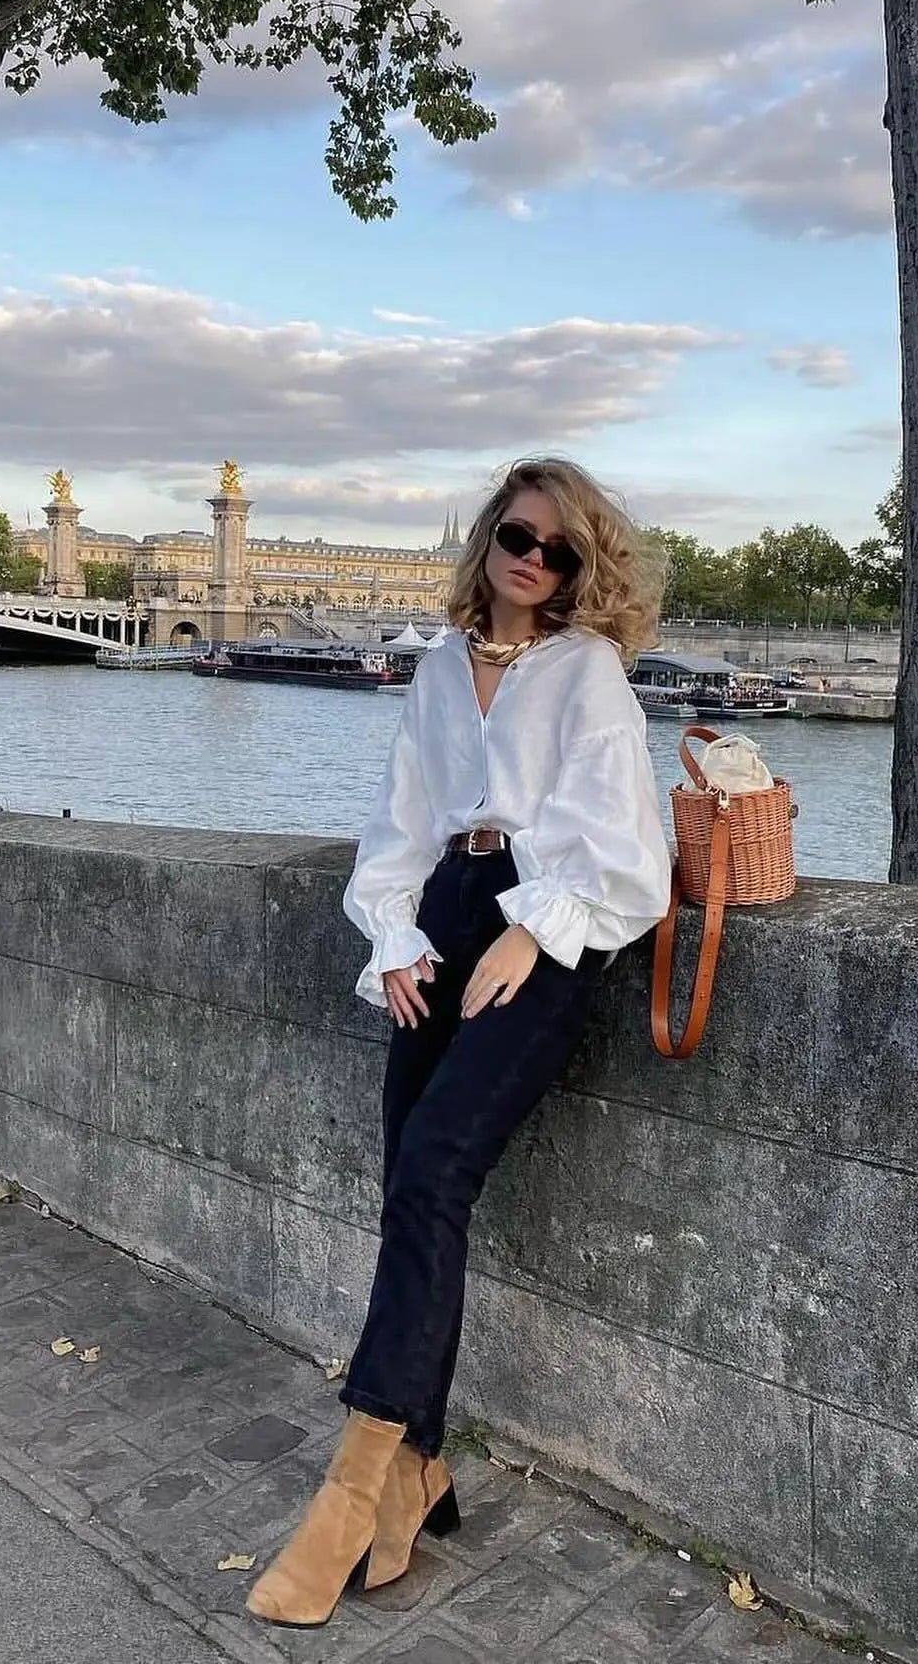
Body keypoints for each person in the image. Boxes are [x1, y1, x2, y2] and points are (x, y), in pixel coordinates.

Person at [246, 455, 674, 1629]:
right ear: (488, 539)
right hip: (443, 911)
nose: (534, 561)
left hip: (542, 924)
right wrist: (394, 934)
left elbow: (626, 850)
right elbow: (402, 823)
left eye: (560, 551)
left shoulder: (587, 672)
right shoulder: (439, 668)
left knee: (436, 1172)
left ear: (580, 568)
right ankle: (418, 1470)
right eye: (520, 538)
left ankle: (349, 1493)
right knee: (409, 1180)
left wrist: (532, 934)